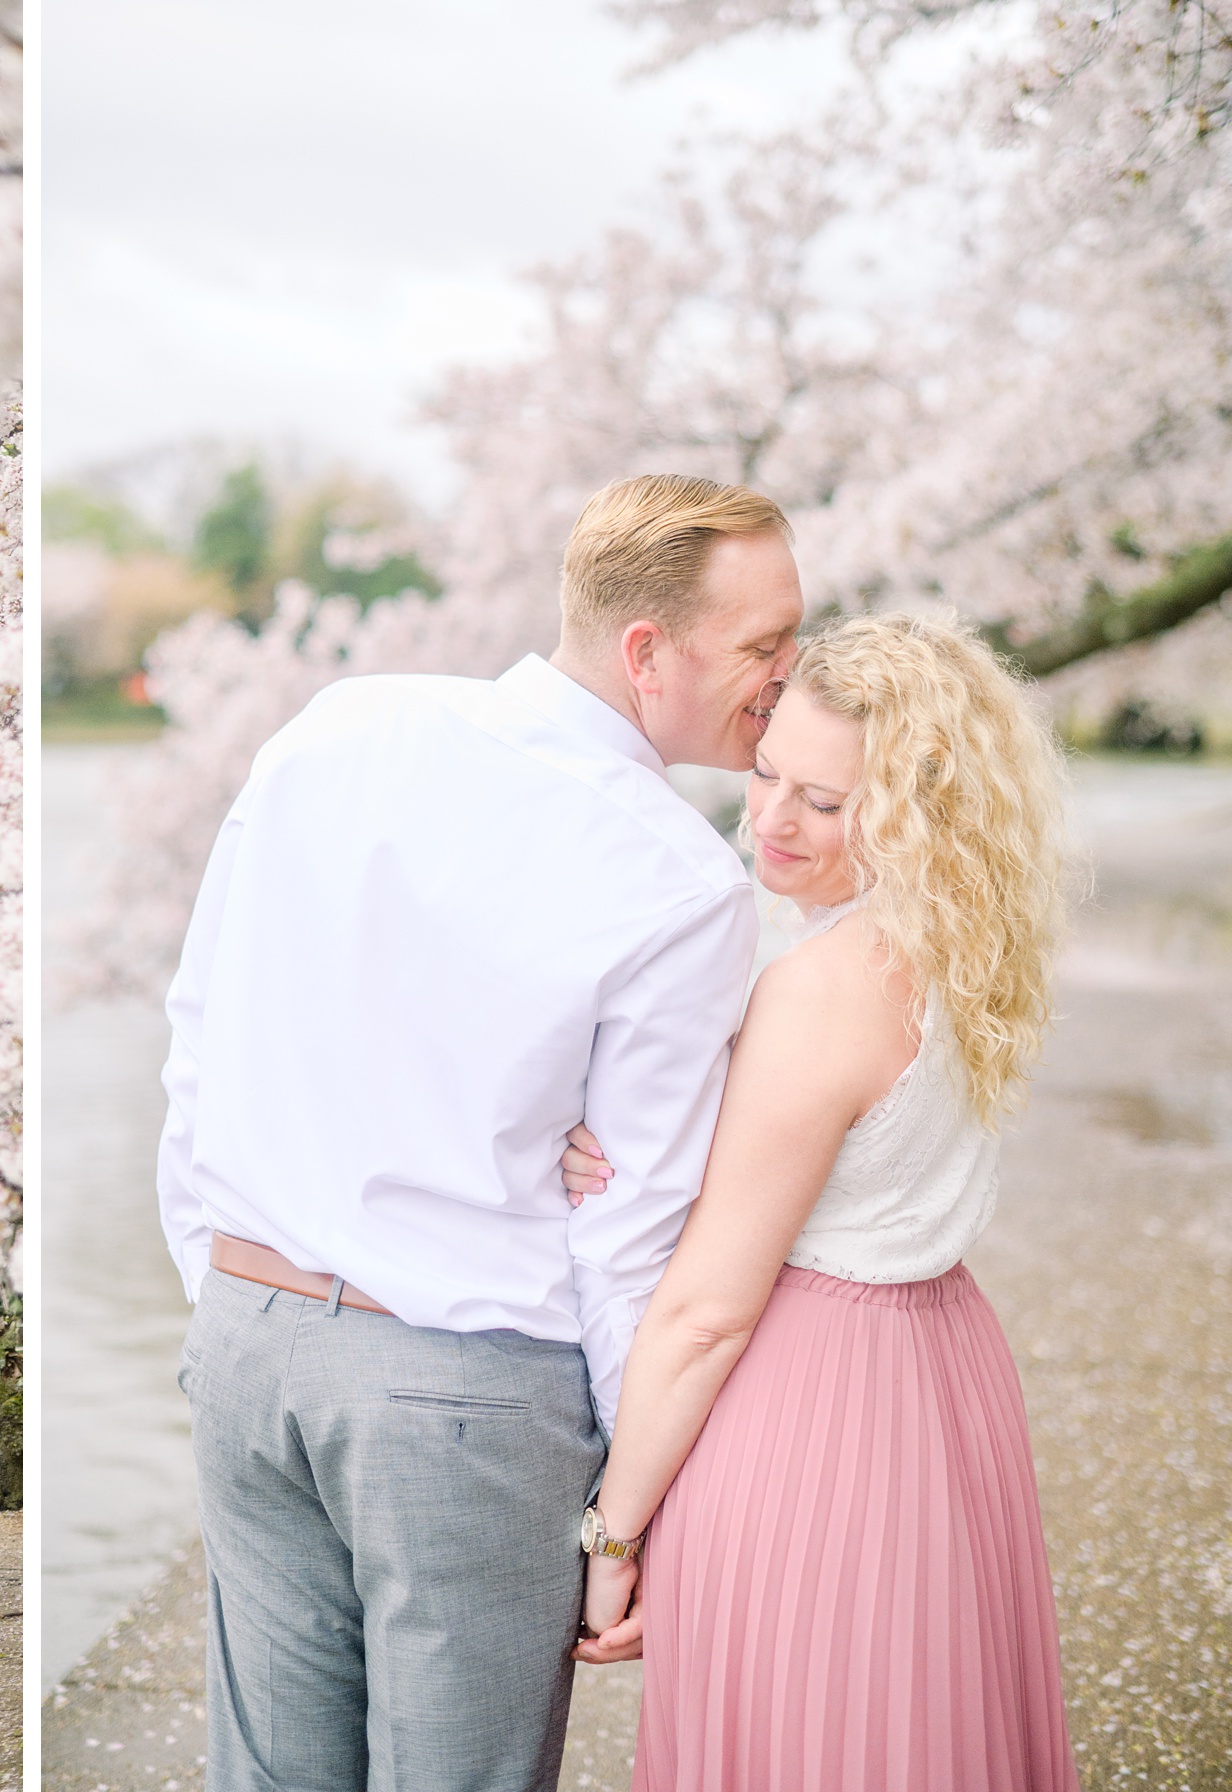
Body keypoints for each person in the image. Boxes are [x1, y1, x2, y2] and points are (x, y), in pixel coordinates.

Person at [158, 473, 803, 1791]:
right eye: (765, 647)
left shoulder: (336, 726)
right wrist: (621, 1530)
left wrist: (224, 1292)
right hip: (462, 1391)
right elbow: (629, 1239)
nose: (790, 676)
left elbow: (198, 1031)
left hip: (247, 1342)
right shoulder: (682, 880)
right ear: (647, 652)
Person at [561, 612, 1078, 1788]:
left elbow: (703, 1311)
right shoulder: (959, 944)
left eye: (827, 802)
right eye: (763, 771)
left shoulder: (820, 988)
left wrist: (615, 1535)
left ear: (913, 811)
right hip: (943, 1376)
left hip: (814, 1408)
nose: (772, 820)